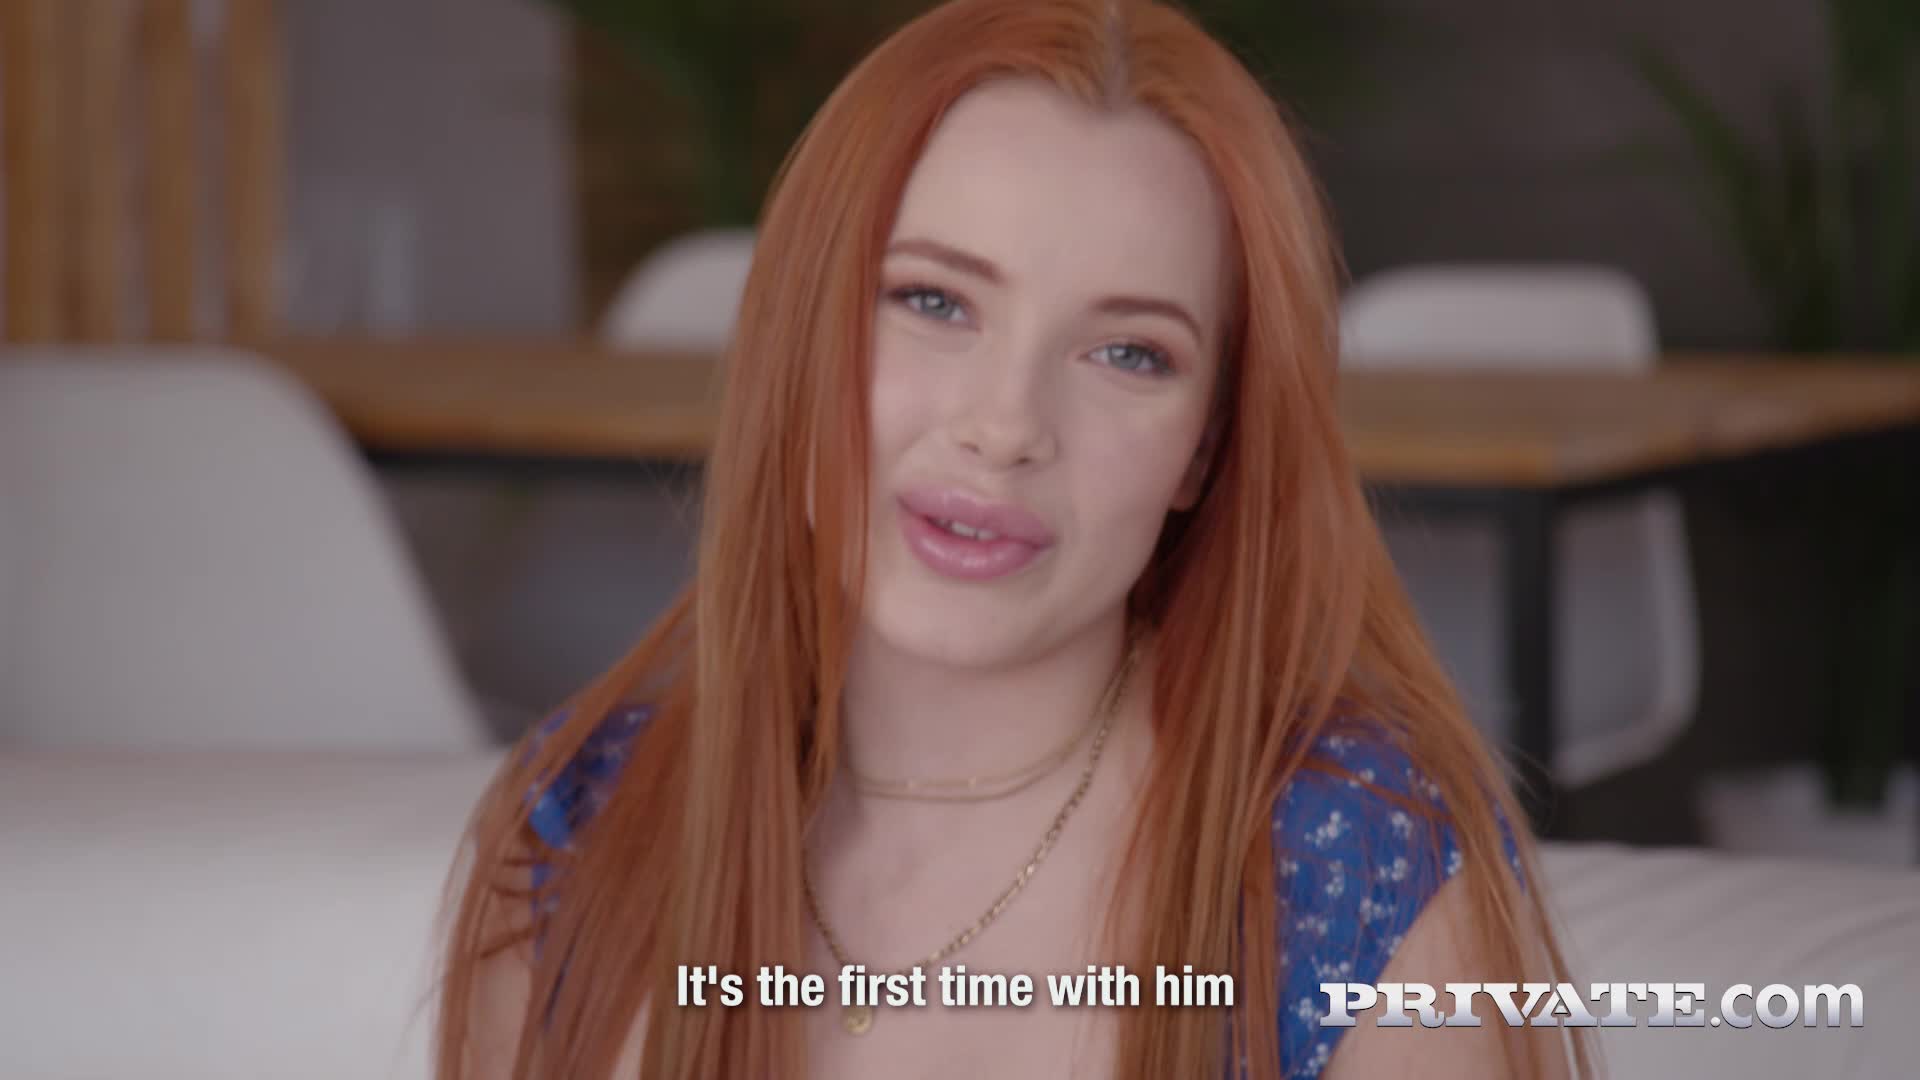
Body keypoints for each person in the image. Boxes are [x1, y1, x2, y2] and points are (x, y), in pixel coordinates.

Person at [434, 1, 1593, 1077]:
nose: (1004, 428)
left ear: (1204, 449)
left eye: (1129, 353)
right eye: (934, 301)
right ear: (800, 333)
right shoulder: (571, 832)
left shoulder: (1357, 870)